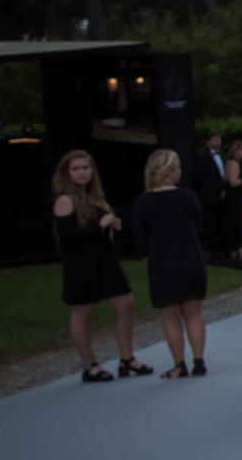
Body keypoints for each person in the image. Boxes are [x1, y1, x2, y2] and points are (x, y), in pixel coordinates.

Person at [51, 150, 154, 382]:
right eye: (76, 168)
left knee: (125, 303)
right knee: (83, 309)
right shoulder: (65, 200)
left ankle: (127, 358)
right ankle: (91, 365)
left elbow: (96, 228)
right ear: (66, 173)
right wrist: (100, 226)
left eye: (85, 168)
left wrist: (110, 224)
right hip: (81, 263)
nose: (81, 172)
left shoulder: (94, 197)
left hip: (104, 258)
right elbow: (68, 239)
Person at [133, 149, 208, 378]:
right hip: (189, 257)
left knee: (170, 316)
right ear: (171, 170)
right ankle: (198, 360)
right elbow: (198, 225)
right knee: (193, 313)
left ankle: (179, 364)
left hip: (161, 261)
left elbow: (140, 238)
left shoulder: (143, 202)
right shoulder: (187, 197)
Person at [195, 130, 227, 258]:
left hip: (221, 196)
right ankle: (213, 249)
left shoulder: (222, 156)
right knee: (210, 223)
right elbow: (197, 177)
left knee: (221, 222)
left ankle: (221, 247)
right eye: (214, 140)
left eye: (219, 140)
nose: (217, 142)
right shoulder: (203, 158)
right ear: (208, 143)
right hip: (209, 196)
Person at [223, 139, 242, 259]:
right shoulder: (234, 163)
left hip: (233, 196)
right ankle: (236, 248)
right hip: (234, 197)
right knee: (235, 221)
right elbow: (233, 182)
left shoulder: (232, 162)